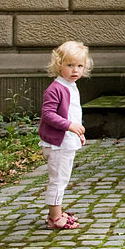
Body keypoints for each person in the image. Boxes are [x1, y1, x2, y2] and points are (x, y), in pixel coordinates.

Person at [39, 41, 91, 229]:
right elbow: (48, 114)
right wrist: (70, 126)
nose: (75, 70)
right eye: (70, 65)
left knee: (63, 178)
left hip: (67, 141)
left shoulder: (71, 85)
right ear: (58, 65)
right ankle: (54, 218)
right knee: (58, 180)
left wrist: (78, 133)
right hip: (58, 144)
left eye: (79, 66)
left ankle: (56, 212)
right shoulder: (56, 88)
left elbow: (73, 113)